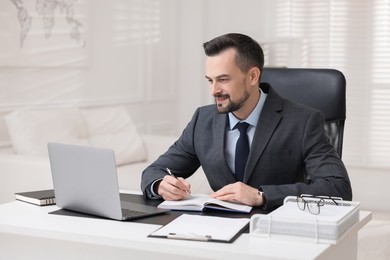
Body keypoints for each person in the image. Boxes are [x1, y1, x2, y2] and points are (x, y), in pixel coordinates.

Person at [141, 33, 352, 210]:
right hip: (218, 230)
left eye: (223, 79)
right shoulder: (202, 120)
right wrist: (160, 184)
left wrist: (262, 196)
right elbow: (154, 171)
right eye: (210, 80)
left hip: (277, 229)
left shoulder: (303, 121)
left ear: (252, 77)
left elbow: (338, 188)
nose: (214, 91)